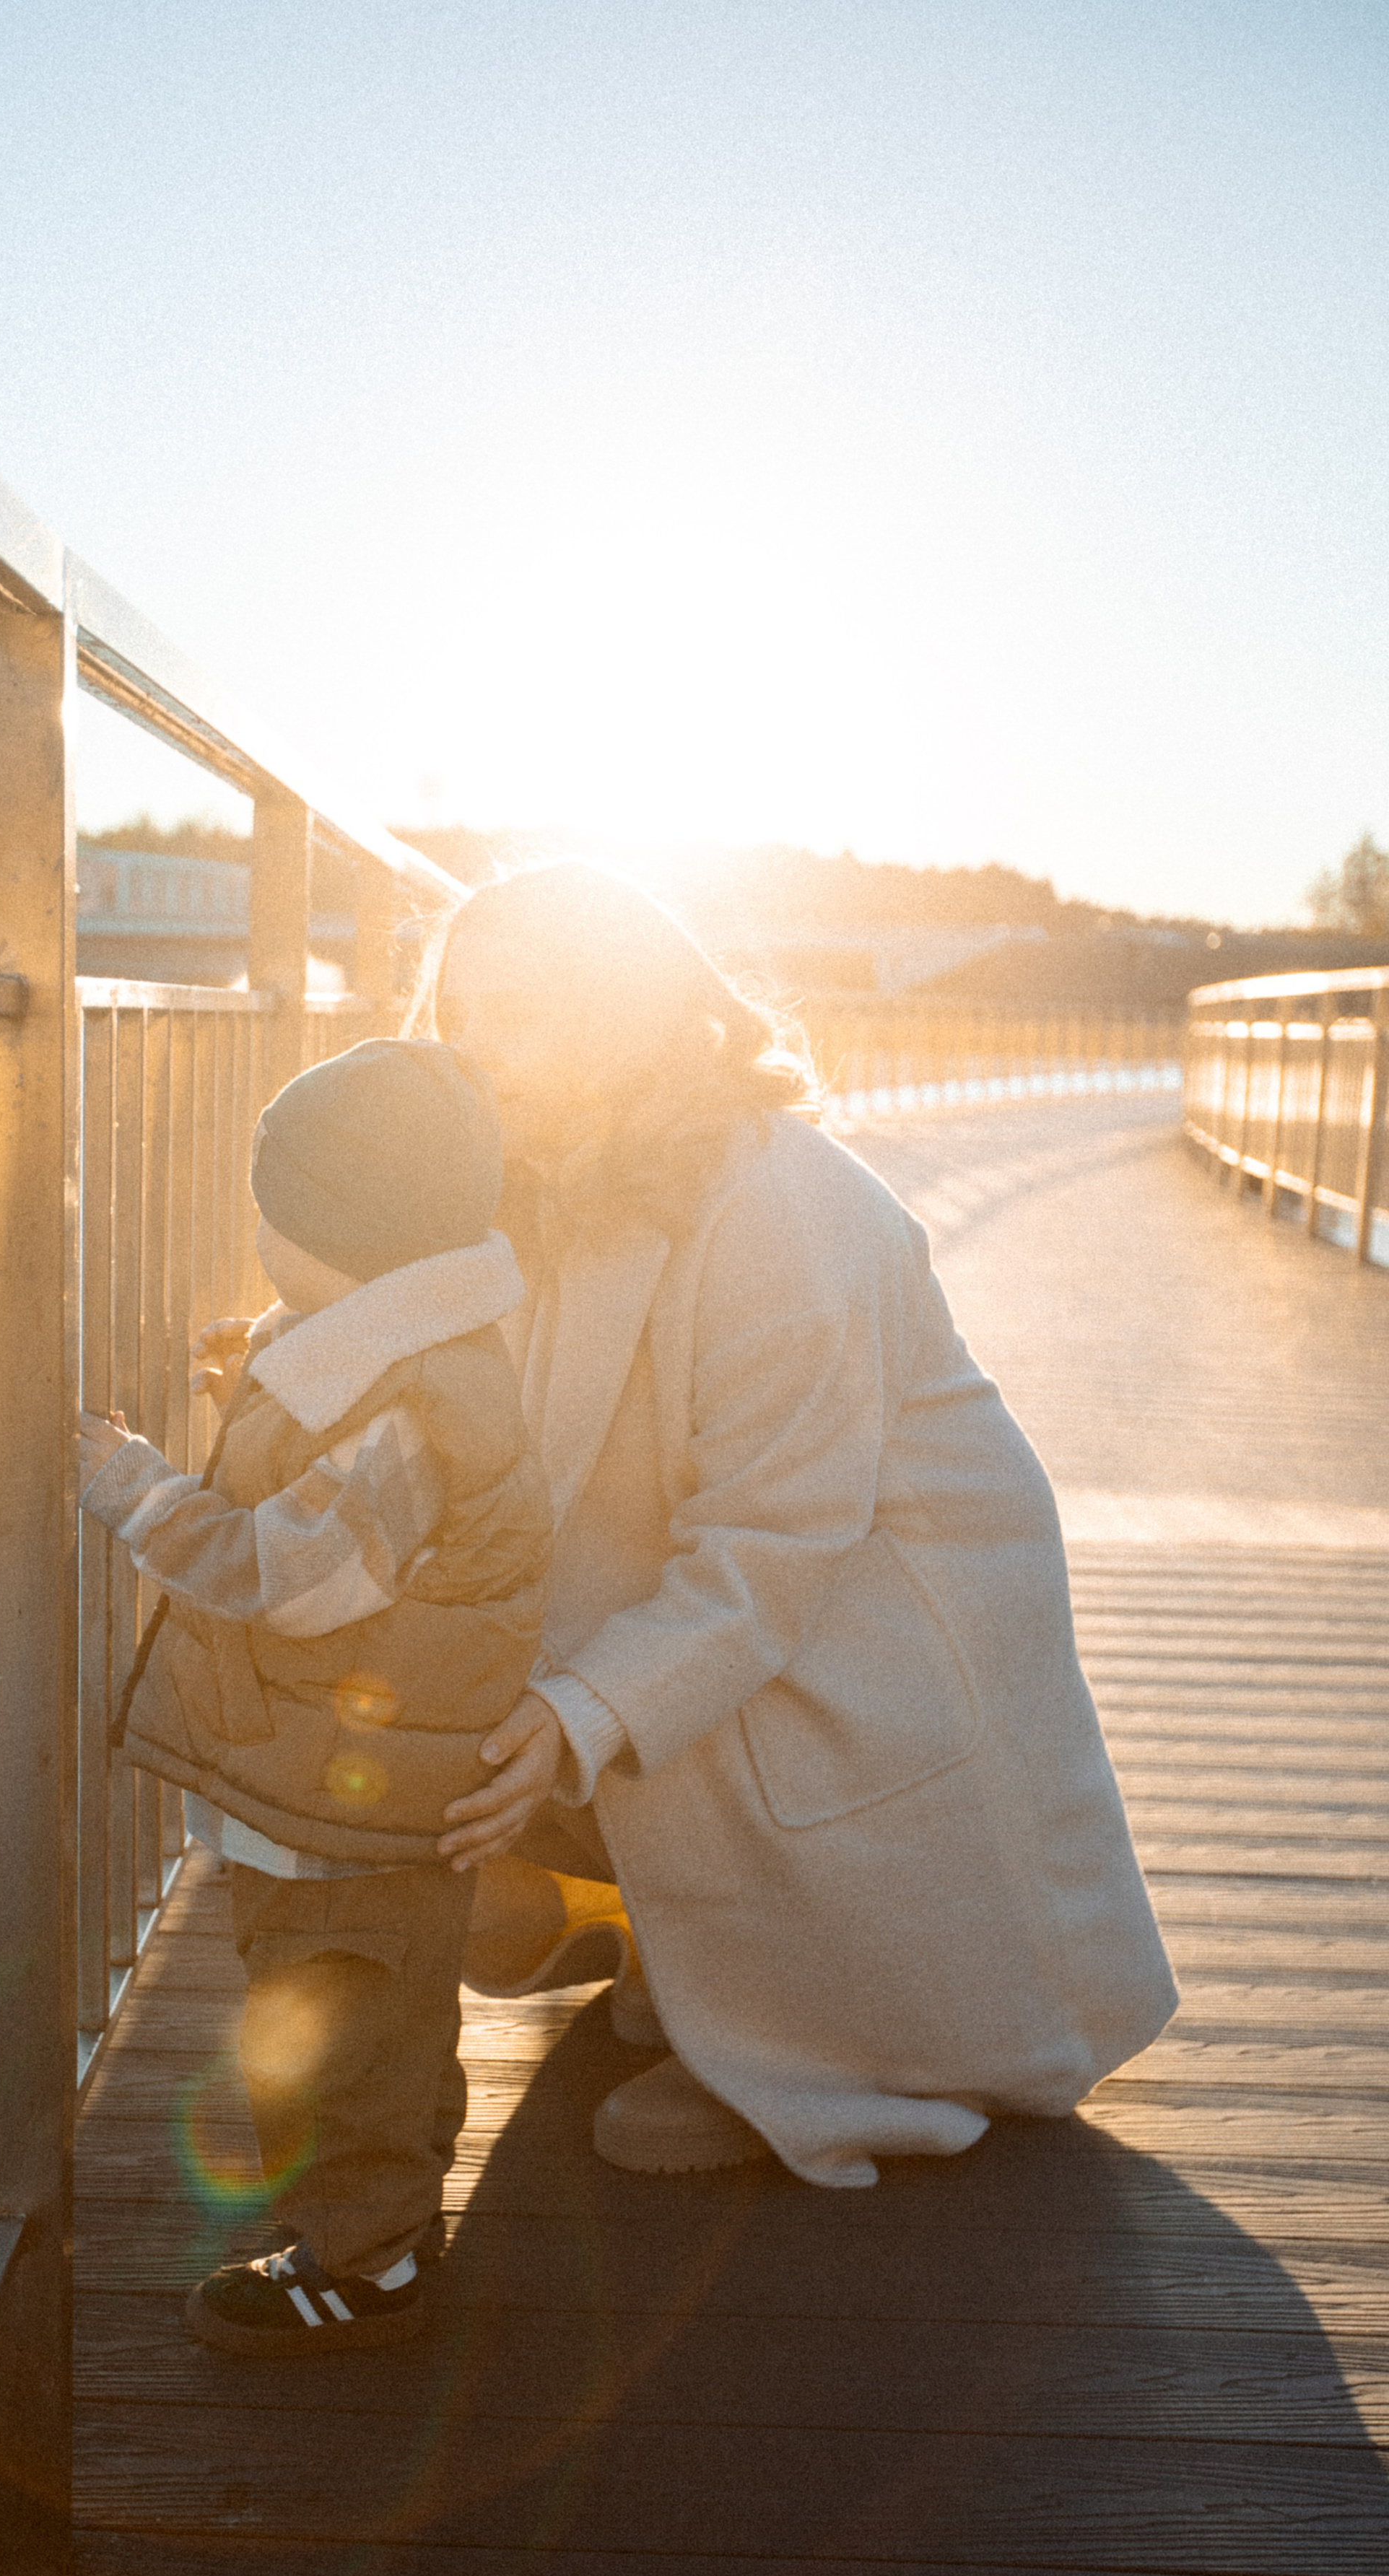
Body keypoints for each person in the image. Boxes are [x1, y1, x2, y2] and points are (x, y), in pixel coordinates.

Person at [418, 860, 1177, 2188]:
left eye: (523, 1016)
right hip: (718, 1595)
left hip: (856, 1628)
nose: (482, 1056)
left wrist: (575, 1717)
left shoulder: (778, 1207)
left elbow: (772, 1557)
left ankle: (813, 2044)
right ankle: (664, 1938)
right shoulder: (551, 1176)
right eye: (462, 1022)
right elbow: (487, 1379)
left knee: (619, 1716)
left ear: (625, 1017)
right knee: (436, 1706)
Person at [77, 1036, 552, 2354]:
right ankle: (375, 2221)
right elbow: (340, 1493)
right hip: (339, 1775)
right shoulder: (391, 1350)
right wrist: (261, 1385)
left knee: (354, 2035)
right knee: (359, 2016)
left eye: (276, 1220)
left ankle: (370, 2266)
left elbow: (282, 1573)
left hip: (355, 1797)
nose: (261, 1239)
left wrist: (130, 1486)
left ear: (352, 1242)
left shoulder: (409, 1413)